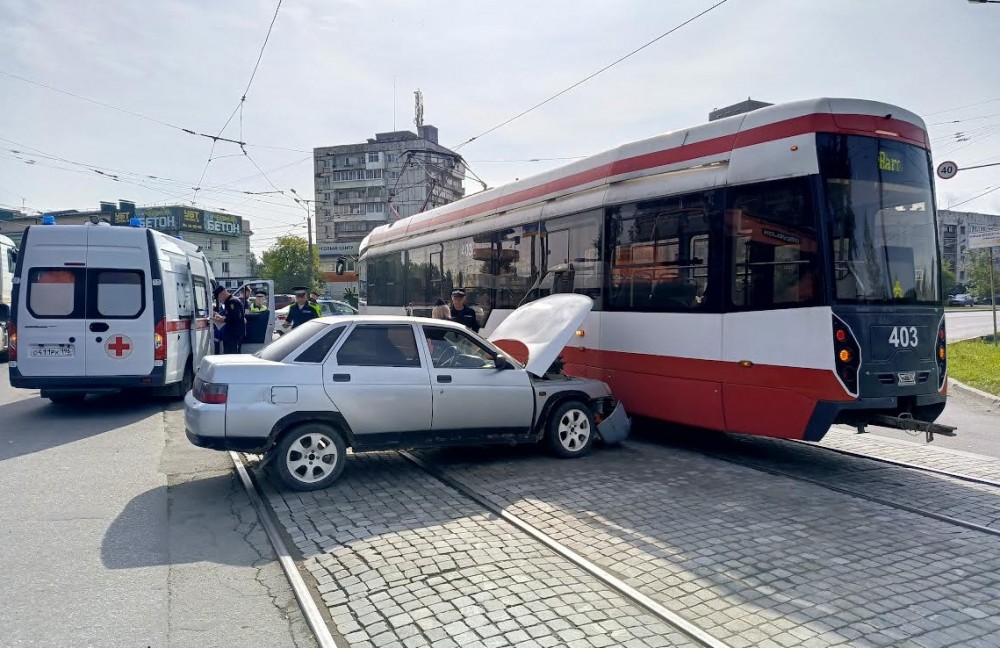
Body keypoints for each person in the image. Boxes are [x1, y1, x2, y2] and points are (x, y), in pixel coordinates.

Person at [213, 285, 246, 354]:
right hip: (230, 334)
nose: (219, 300)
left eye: (218, 297)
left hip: (235, 334)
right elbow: (229, 315)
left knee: (233, 355)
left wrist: (224, 319)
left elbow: (236, 318)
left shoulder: (233, 301)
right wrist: (220, 316)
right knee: (228, 355)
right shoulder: (228, 302)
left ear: (222, 293)